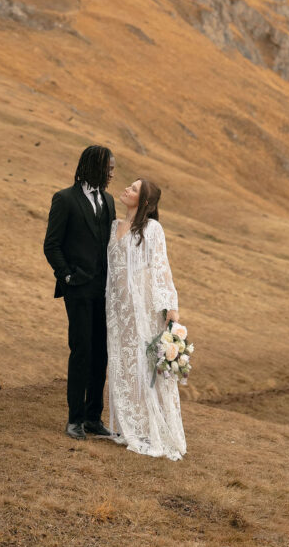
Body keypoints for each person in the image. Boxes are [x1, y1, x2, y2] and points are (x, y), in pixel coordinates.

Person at [106, 178, 187, 460]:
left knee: (145, 364)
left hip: (143, 308)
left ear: (144, 201)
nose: (127, 189)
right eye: (129, 185)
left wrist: (170, 308)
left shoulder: (152, 229)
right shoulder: (114, 226)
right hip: (118, 310)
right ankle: (131, 425)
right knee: (124, 362)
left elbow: (161, 267)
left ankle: (151, 428)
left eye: (134, 189)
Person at [43, 145, 116, 441]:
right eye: (109, 167)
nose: (112, 173)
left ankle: (93, 418)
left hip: (104, 291)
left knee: (102, 354)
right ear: (95, 166)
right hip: (78, 290)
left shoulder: (109, 200)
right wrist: (68, 275)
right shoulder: (65, 199)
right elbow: (51, 245)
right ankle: (74, 420)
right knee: (82, 351)